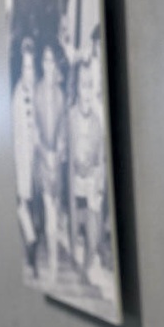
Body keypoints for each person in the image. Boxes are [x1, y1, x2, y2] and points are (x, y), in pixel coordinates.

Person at [68, 61, 108, 291]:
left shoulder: (97, 122)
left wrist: (97, 184)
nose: (87, 91)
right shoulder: (71, 117)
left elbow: (101, 159)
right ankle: (80, 269)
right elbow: (65, 151)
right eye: (84, 85)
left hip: (90, 186)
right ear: (78, 88)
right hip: (75, 188)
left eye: (90, 85)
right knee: (77, 233)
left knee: (92, 237)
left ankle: (86, 268)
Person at [34, 42, 67, 286]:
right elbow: (34, 128)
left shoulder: (60, 95)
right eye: (45, 61)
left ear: (55, 65)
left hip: (57, 161)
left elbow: (63, 128)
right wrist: (44, 153)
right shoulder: (36, 92)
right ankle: (54, 267)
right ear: (42, 63)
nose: (48, 65)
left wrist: (59, 152)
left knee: (54, 209)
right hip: (42, 161)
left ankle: (53, 256)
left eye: (52, 61)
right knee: (49, 213)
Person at [12, 37, 41, 276]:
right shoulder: (17, 97)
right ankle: (31, 257)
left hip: (38, 163)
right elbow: (17, 137)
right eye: (25, 67)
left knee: (37, 212)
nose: (27, 72)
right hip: (23, 161)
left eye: (30, 67)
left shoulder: (38, 90)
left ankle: (34, 250)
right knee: (25, 208)